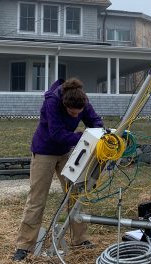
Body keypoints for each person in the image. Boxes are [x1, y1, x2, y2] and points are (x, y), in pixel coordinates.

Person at [12, 78, 103, 261]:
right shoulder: (52, 102)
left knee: (75, 193)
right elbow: (56, 133)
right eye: (71, 112)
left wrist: (101, 134)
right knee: (37, 198)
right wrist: (83, 136)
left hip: (66, 151)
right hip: (44, 150)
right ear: (64, 104)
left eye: (77, 113)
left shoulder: (82, 101)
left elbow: (94, 121)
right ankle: (24, 245)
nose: (74, 116)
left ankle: (80, 238)